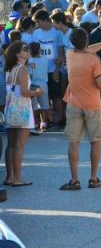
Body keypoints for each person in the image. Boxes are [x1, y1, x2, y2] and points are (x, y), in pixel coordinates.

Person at [59, 27, 101, 191]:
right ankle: (93, 178)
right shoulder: (93, 60)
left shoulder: (70, 55)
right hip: (92, 104)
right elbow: (100, 84)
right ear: (86, 41)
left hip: (74, 103)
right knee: (95, 141)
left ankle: (74, 180)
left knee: (73, 143)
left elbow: (86, 49)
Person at [3, 41, 43, 187]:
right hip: (23, 109)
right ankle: (18, 178)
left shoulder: (9, 69)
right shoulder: (23, 70)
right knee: (20, 145)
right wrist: (37, 92)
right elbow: (25, 93)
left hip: (10, 108)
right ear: (17, 53)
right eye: (24, 49)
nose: (28, 51)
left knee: (11, 145)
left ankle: (10, 177)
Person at [28, 43, 50, 132]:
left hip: (32, 84)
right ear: (38, 50)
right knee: (44, 105)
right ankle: (43, 124)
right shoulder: (45, 60)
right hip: (43, 84)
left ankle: (35, 123)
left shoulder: (29, 61)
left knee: (34, 105)